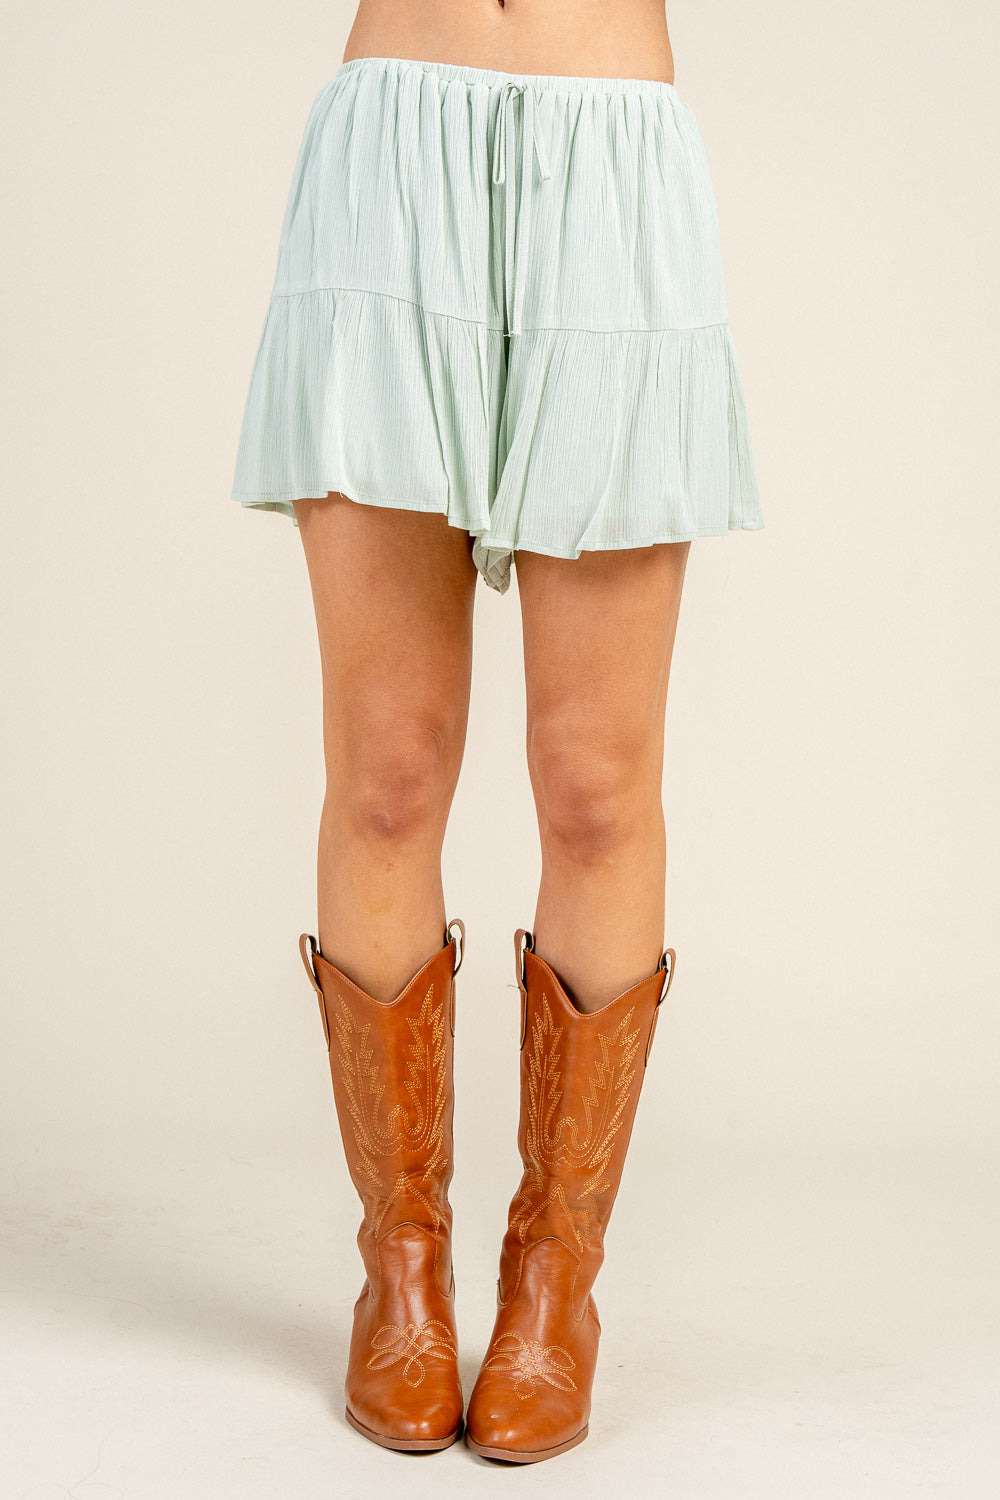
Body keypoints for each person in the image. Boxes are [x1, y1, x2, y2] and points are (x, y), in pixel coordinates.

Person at [231, 0, 762, 1465]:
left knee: (596, 782)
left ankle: (553, 1284)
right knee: (387, 771)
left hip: (612, 168)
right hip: (391, 159)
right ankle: (400, 1272)